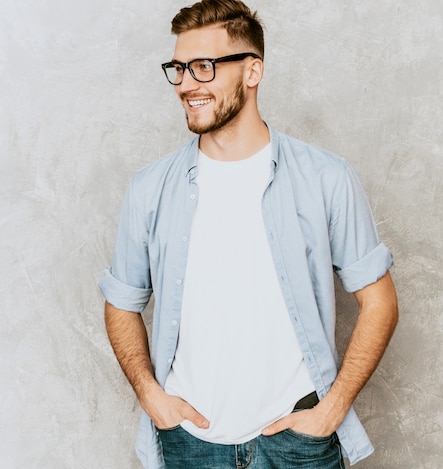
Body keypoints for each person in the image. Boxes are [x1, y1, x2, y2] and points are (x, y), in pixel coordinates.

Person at [98, 1, 398, 467]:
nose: (186, 85)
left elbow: (380, 302)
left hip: (299, 442)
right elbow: (121, 304)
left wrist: (331, 410)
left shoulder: (326, 178)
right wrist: (152, 396)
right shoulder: (149, 189)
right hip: (190, 442)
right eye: (178, 69)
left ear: (253, 71)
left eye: (203, 67)